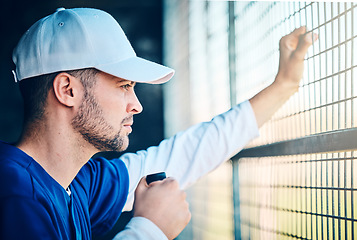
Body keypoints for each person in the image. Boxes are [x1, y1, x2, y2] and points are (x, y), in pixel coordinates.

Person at [0, 7, 317, 240]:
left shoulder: (75, 183)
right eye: (124, 85)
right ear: (68, 90)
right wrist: (148, 229)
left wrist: (283, 87)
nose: (136, 105)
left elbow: (185, 155)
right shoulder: (14, 195)